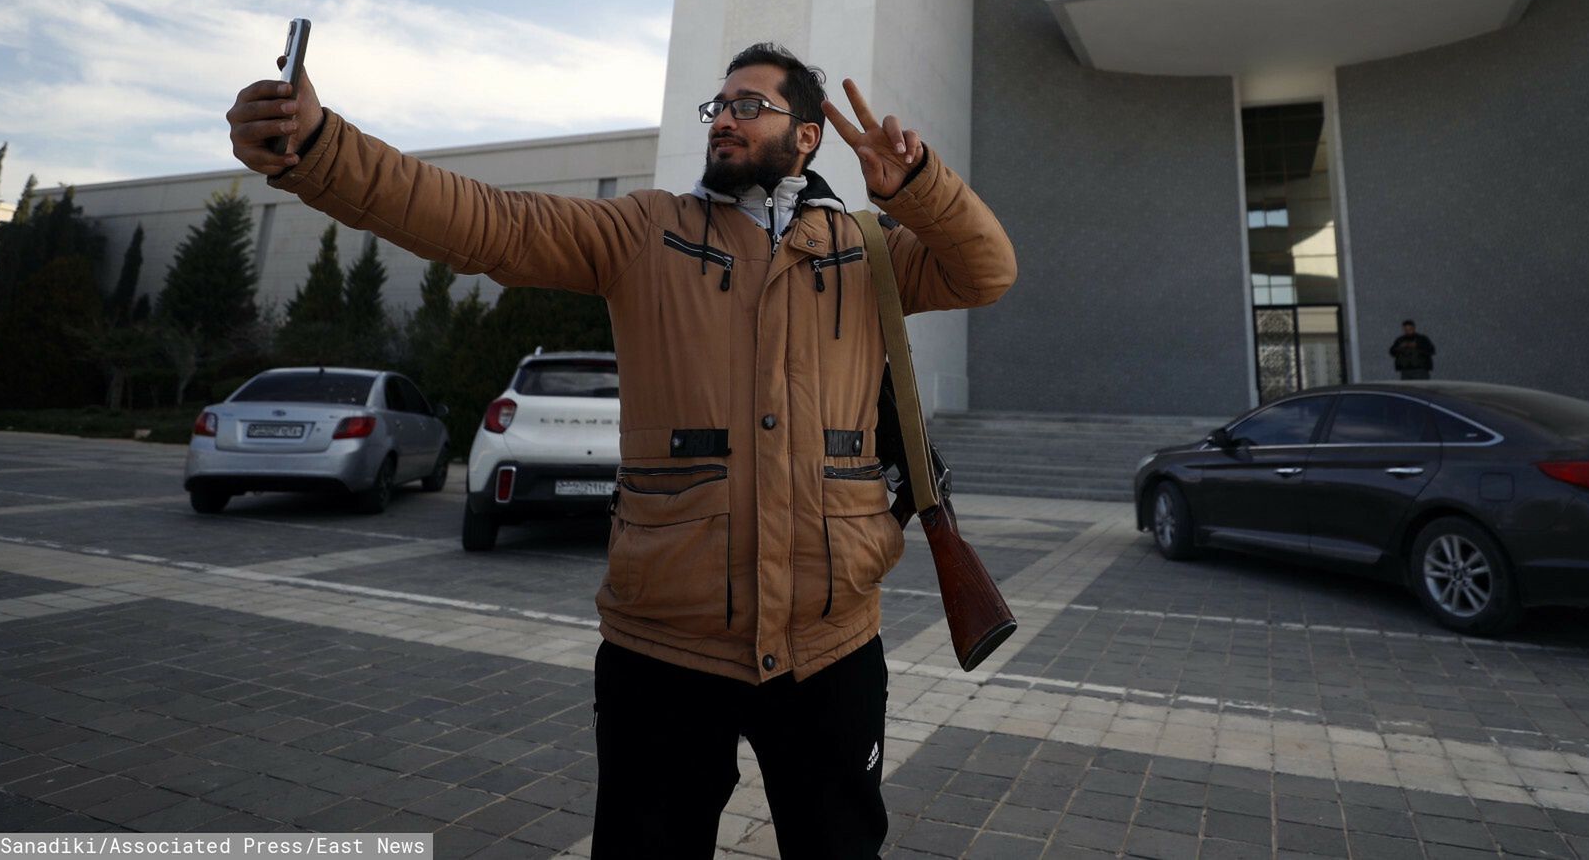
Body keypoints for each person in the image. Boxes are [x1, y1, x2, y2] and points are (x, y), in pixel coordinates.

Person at [226, 42, 1017, 859]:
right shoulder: (646, 231)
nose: (725, 120)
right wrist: (321, 148)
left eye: (750, 105)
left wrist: (920, 189)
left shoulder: (869, 251)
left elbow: (988, 269)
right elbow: (484, 221)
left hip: (832, 641)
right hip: (663, 648)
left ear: (808, 135)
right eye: (720, 106)